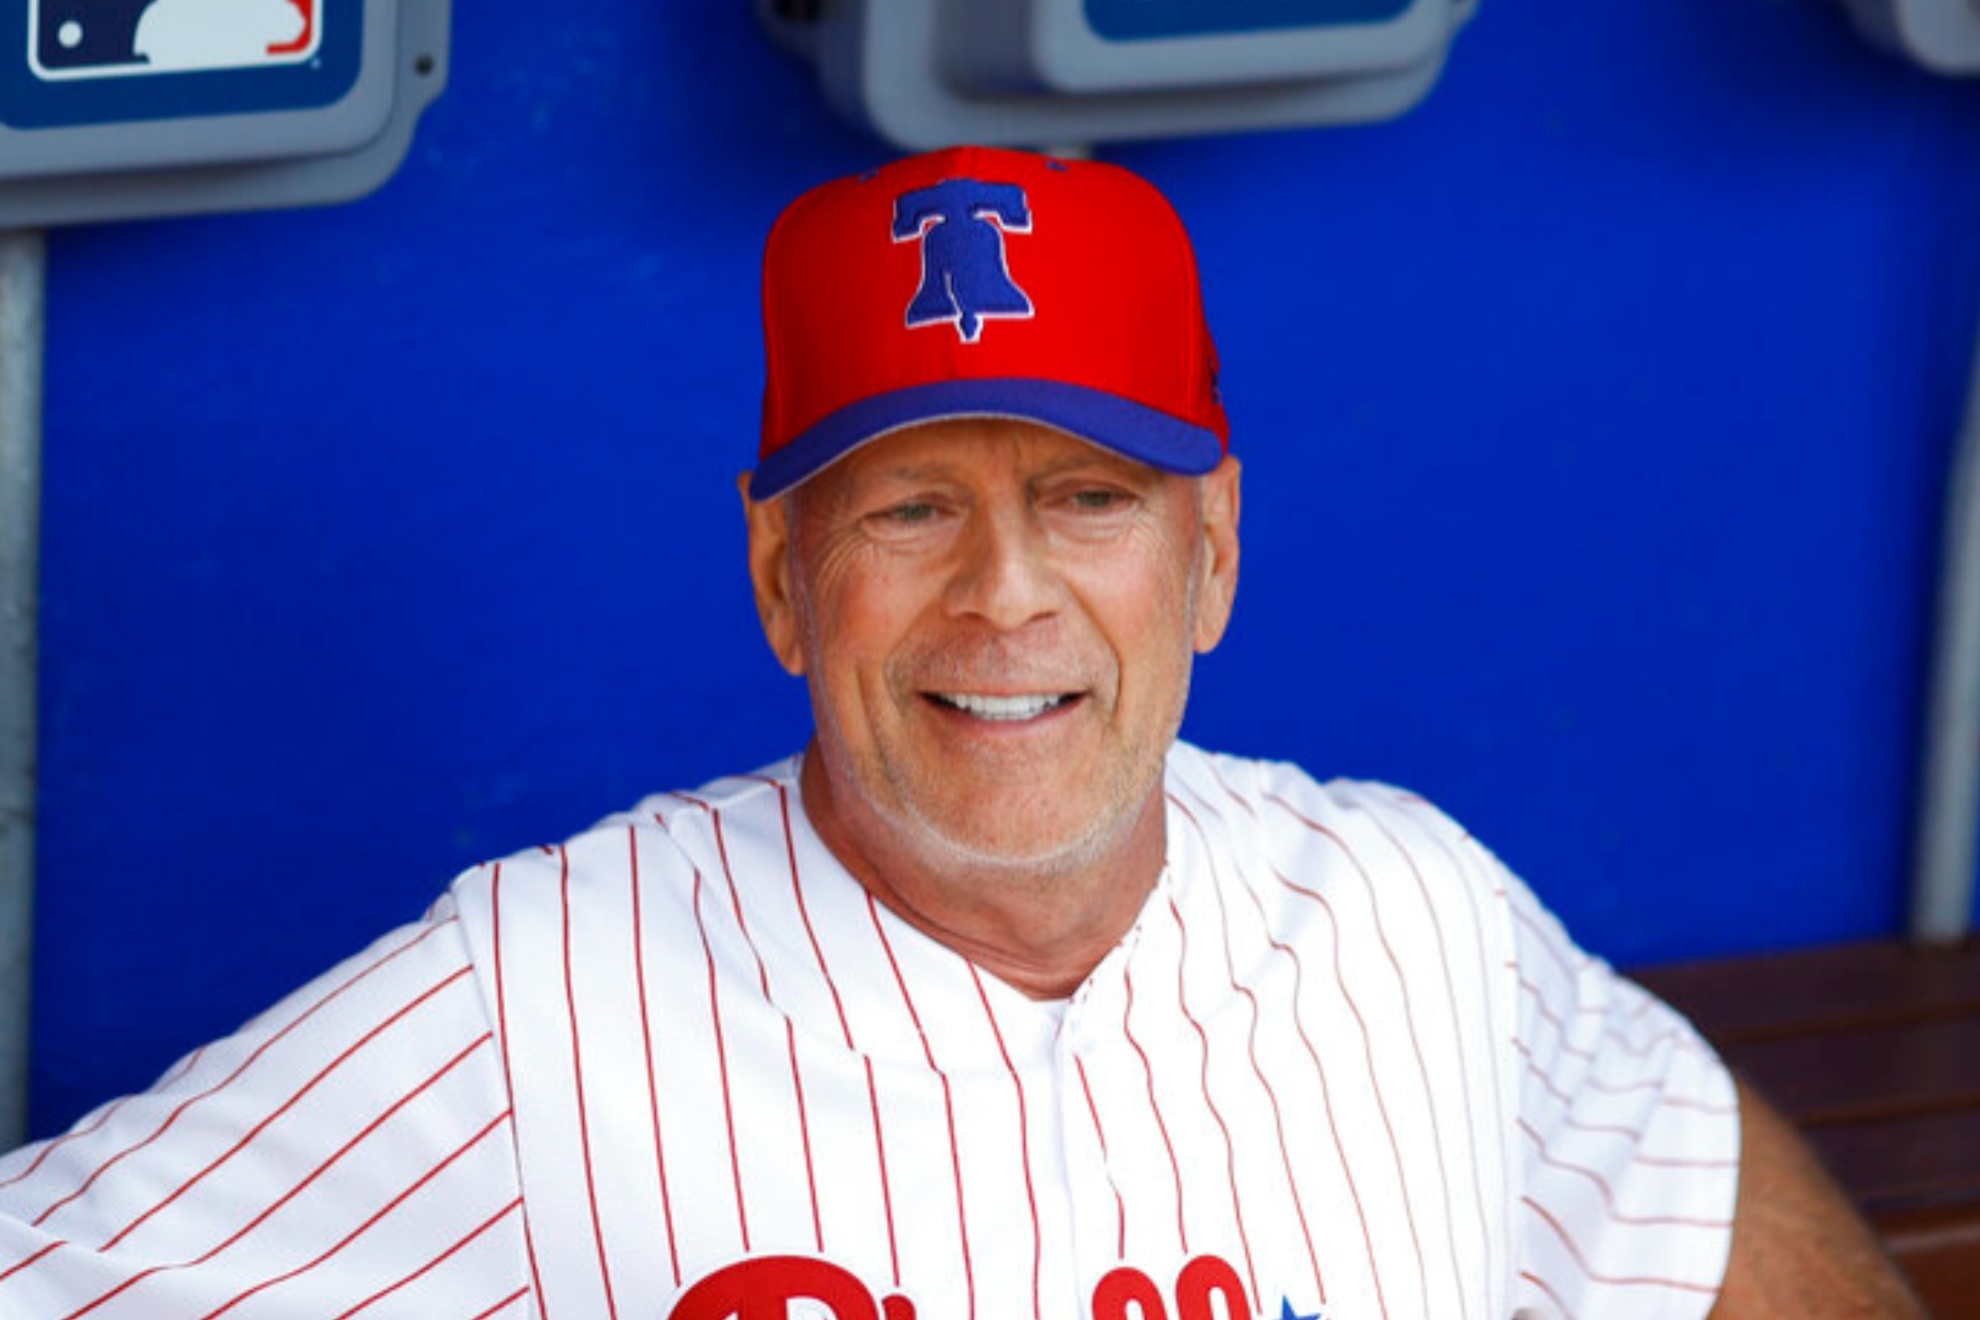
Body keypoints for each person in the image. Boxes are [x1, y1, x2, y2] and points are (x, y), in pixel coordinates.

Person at [0, 147, 1921, 1319]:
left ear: (1213, 553)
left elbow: (1689, 1207)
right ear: (780, 578)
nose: (1004, 594)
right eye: (910, 506)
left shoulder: (1408, 918)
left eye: (1089, 496)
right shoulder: (533, 999)